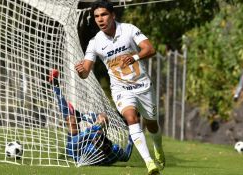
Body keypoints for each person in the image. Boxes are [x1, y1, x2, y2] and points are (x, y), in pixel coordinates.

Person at [74, 1, 165, 174]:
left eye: (104, 15)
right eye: (97, 16)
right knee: (131, 118)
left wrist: (135, 57)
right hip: (121, 89)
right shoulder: (95, 42)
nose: (100, 19)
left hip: (143, 85)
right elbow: (85, 71)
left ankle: (158, 147)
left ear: (113, 15)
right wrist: (80, 70)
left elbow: (150, 49)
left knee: (152, 124)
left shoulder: (129, 29)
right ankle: (149, 163)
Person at [48, 69, 133, 165]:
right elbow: (126, 156)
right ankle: (80, 116)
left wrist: (92, 127)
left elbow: (79, 140)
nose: (95, 139)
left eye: (95, 140)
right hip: (91, 143)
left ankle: (55, 85)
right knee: (103, 117)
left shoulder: (85, 146)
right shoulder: (114, 152)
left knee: (71, 121)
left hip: (74, 149)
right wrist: (132, 136)